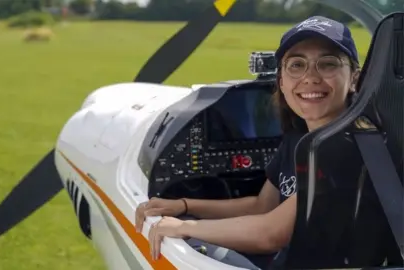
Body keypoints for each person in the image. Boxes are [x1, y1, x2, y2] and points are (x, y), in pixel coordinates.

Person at [135, 15, 361, 269]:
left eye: (328, 64)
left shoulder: (347, 148)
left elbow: (271, 234)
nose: (310, 77)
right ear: (281, 82)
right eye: (296, 65)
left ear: (354, 78)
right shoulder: (299, 139)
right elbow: (262, 206)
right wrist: (184, 205)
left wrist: (186, 226)